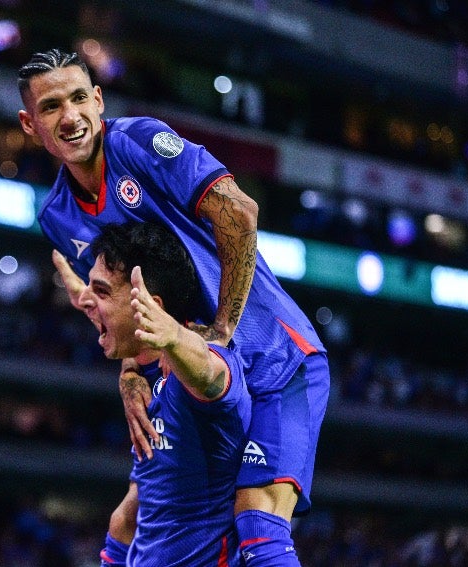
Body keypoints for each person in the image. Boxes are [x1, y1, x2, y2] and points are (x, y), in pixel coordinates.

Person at [18, 48, 329, 566]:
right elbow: (125, 298)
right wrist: (131, 369)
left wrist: (224, 327)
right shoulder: (59, 216)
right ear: (30, 124)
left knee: (257, 520)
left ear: (99, 101)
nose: (70, 117)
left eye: (78, 99)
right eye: (51, 107)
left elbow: (240, 212)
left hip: (275, 359)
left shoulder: (140, 142)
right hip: (186, 372)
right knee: (137, 520)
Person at [78, 221, 250, 567]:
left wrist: (174, 336)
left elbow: (210, 371)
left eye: (101, 291)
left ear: (149, 307)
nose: (84, 300)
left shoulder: (203, 371)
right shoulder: (142, 384)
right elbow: (128, 515)